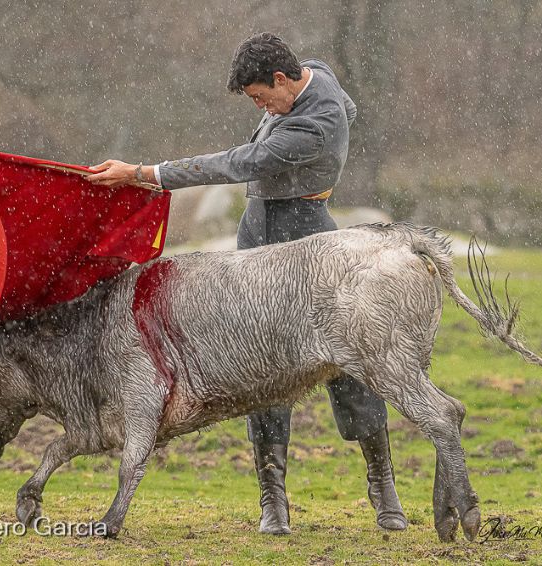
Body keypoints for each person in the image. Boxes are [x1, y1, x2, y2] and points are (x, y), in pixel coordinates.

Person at [88, 32, 407, 535]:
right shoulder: (315, 71)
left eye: (261, 98)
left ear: (282, 80)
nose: (261, 107)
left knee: (349, 356)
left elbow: (240, 163)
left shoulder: (315, 127)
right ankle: (272, 498)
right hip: (256, 233)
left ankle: (382, 481)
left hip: (306, 237)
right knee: (261, 366)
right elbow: (340, 101)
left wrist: (145, 173)